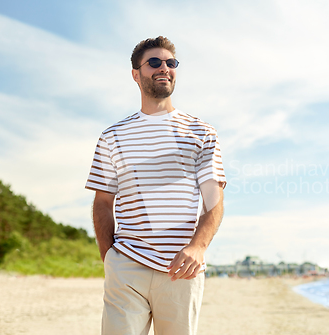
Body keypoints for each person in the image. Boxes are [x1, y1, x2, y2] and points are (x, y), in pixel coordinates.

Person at [85, 36, 226, 335]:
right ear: (136, 74)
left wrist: (198, 247)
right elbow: (102, 202)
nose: (164, 68)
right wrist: (110, 256)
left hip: (182, 270)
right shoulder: (112, 137)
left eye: (170, 63)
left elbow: (214, 202)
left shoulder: (202, 133)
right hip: (127, 266)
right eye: (154, 62)